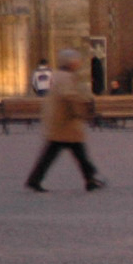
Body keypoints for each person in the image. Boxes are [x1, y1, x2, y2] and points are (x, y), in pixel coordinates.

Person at [26, 50, 104, 193]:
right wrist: (81, 113)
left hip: (61, 123)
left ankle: (90, 179)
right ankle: (90, 179)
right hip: (65, 123)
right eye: (76, 61)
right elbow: (69, 97)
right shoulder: (66, 77)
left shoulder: (60, 75)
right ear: (71, 62)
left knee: (58, 153)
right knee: (76, 152)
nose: (78, 63)